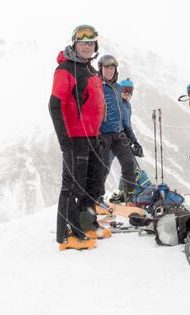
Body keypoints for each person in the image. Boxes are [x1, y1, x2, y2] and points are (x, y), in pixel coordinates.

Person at [49, 24, 108, 251]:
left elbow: (96, 105)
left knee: (92, 185)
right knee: (73, 188)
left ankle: (86, 225)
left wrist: (99, 133)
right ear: (75, 43)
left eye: (91, 42)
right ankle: (65, 236)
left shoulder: (90, 70)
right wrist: (65, 141)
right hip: (75, 138)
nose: (87, 46)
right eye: (83, 42)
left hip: (93, 137)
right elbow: (55, 105)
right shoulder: (65, 69)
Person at [96, 56, 143, 205]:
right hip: (103, 134)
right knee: (101, 167)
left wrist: (132, 138)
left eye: (112, 68)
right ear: (101, 69)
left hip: (119, 133)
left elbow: (122, 114)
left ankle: (129, 196)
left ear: (115, 70)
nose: (109, 71)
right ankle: (97, 198)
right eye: (106, 68)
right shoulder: (97, 86)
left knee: (129, 164)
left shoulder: (117, 88)